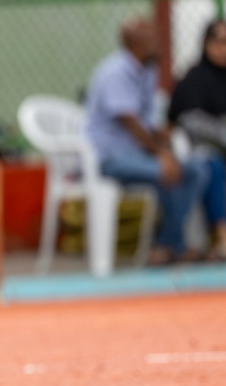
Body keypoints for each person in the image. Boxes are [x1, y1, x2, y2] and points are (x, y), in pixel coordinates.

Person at [84, 15, 206, 265]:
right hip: (110, 158)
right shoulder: (114, 72)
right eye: (153, 39)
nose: (159, 44)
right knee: (168, 172)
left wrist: (163, 137)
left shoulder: (147, 71)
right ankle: (170, 245)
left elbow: (146, 122)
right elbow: (131, 125)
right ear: (136, 45)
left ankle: (168, 245)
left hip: (139, 154)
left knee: (196, 171)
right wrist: (162, 155)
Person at [167, 18, 226, 259]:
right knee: (215, 166)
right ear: (206, 44)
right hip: (204, 149)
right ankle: (223, 232)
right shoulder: (195, 77)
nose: (224, 49)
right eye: (218, 42)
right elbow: (187, 119)